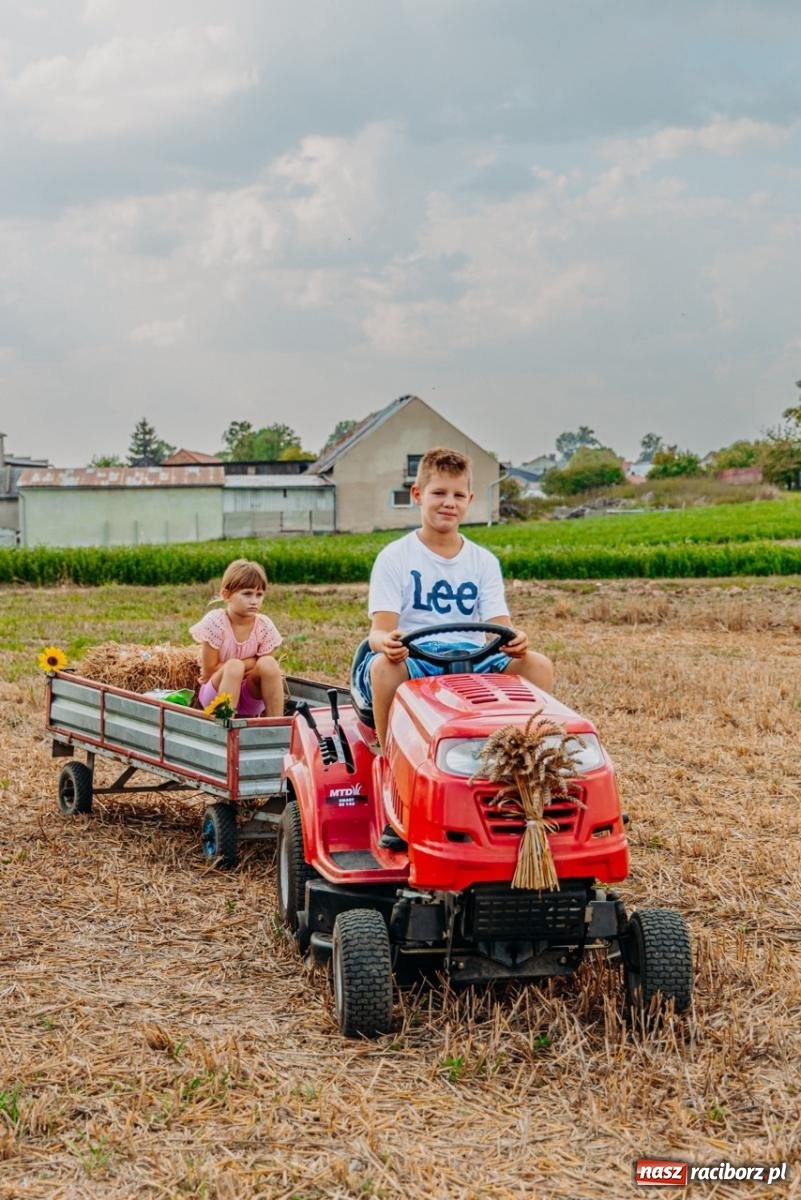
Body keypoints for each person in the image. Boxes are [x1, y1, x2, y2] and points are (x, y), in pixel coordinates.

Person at [355, 447, 554, 750]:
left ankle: (523, 757)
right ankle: (390, 753)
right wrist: (388, 643)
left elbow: (501, 628)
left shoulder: (483, 561)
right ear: (418, 494)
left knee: (538, 665)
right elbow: (379, 633)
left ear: (470, 501)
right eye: (439, 493)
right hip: (417, 658)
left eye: (459, 496)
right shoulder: (395, 557)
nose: (449, 503)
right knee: (383, 667)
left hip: (475, 656)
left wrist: (517, 640)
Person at [190, 558, 284, 718]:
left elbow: (262, 668)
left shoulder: (264, 626)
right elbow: (210, 671)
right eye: (247, 594)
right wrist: (246, 663)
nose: (254, 601)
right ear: (226, 595)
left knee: (269, 664)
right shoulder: (216, 622)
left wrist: (251, 665)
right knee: (234, 667)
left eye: (259, 594)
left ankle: (276, 726)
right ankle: (225, 725)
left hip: (249, 697)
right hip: (216, 696)